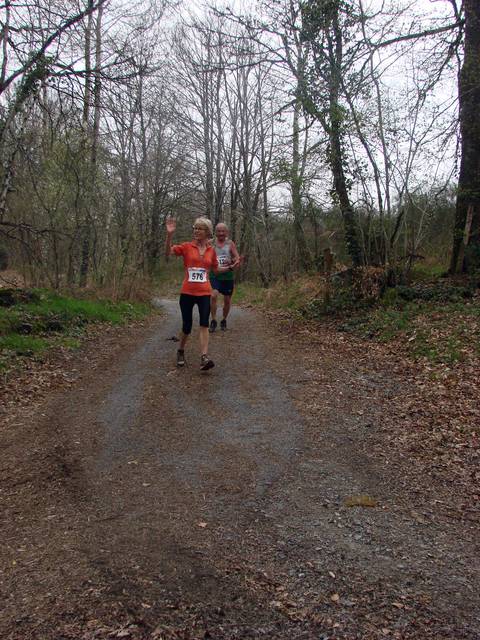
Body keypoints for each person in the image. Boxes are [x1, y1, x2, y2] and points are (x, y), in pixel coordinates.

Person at [165, 216, 225, 370]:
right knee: (187, 326)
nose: (196, 231)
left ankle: (204, 357)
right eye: (195, 228)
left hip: (204, 292)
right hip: (187, 292)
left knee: (204, 324)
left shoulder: (211, 251)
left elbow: (216, 270)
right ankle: (180, 350)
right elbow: (168, 252)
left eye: (200, 228)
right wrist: (169, 235)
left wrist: (231, 266)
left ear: (207, 232)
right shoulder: (186, 246)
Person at [209, 223, 240, 332]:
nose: (221, 233)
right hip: (215, 275)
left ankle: (223, 320)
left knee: (227, 300)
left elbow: (237, 258)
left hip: (227, 276)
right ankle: (213, 320)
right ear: (215, 232)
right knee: (213, 296)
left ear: (227, 232)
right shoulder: (210, 243)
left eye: (223, 231)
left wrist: (231, 261)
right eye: (219, 231)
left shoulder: (230, 243)